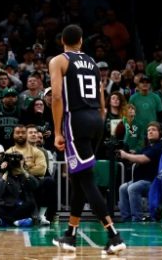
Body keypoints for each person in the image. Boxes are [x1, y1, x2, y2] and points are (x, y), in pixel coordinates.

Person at [49, 24, 125, 255]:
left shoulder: (59, 60)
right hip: (96, 120)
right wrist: (99, 120)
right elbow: (102, 97)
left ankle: (113, 235)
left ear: (62, 40)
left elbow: (56, 96)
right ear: (81, 41)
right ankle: (70, 235)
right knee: (79, 178)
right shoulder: (92, 62)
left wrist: (58, 131)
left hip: (76, 120)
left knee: (86, 179)